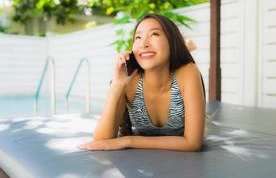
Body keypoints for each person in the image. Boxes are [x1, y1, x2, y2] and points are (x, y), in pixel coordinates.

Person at [79, 13, 206, 152]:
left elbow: (193, 143)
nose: (144, 43)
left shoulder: (188, 73)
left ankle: (186, 48)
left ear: (172, 40)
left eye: (154, 34)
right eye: (138, 37)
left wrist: (128, 140)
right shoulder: (130, 82)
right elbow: (101, 142)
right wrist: (116, 87)